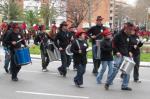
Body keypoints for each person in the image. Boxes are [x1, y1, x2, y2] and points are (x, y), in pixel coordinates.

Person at [105, 22, 134, 91]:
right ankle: (108, 83)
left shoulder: (128, 36)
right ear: (126, 29)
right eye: (130, 30)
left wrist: (130, 51)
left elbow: (129, 45)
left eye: (131, 30)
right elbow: (113, 44)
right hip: (118, 55)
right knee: (115, 69)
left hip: (126, 55)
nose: (131, 31)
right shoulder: (118, 35)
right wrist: (117, 52)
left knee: (127, 71)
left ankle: (124, 86)